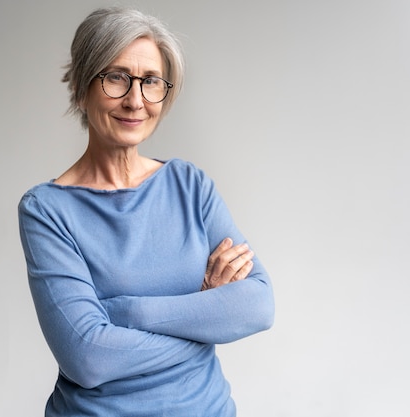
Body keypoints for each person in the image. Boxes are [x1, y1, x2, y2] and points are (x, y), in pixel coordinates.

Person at [18, 6, 275, 417]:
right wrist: (204, 313)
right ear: (83, 86)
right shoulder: (47, 210)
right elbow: (88, 358)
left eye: (151, 81)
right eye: (117, 77)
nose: (135, 100)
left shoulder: (190, 186)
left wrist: (127, 311)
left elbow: (257, 306)